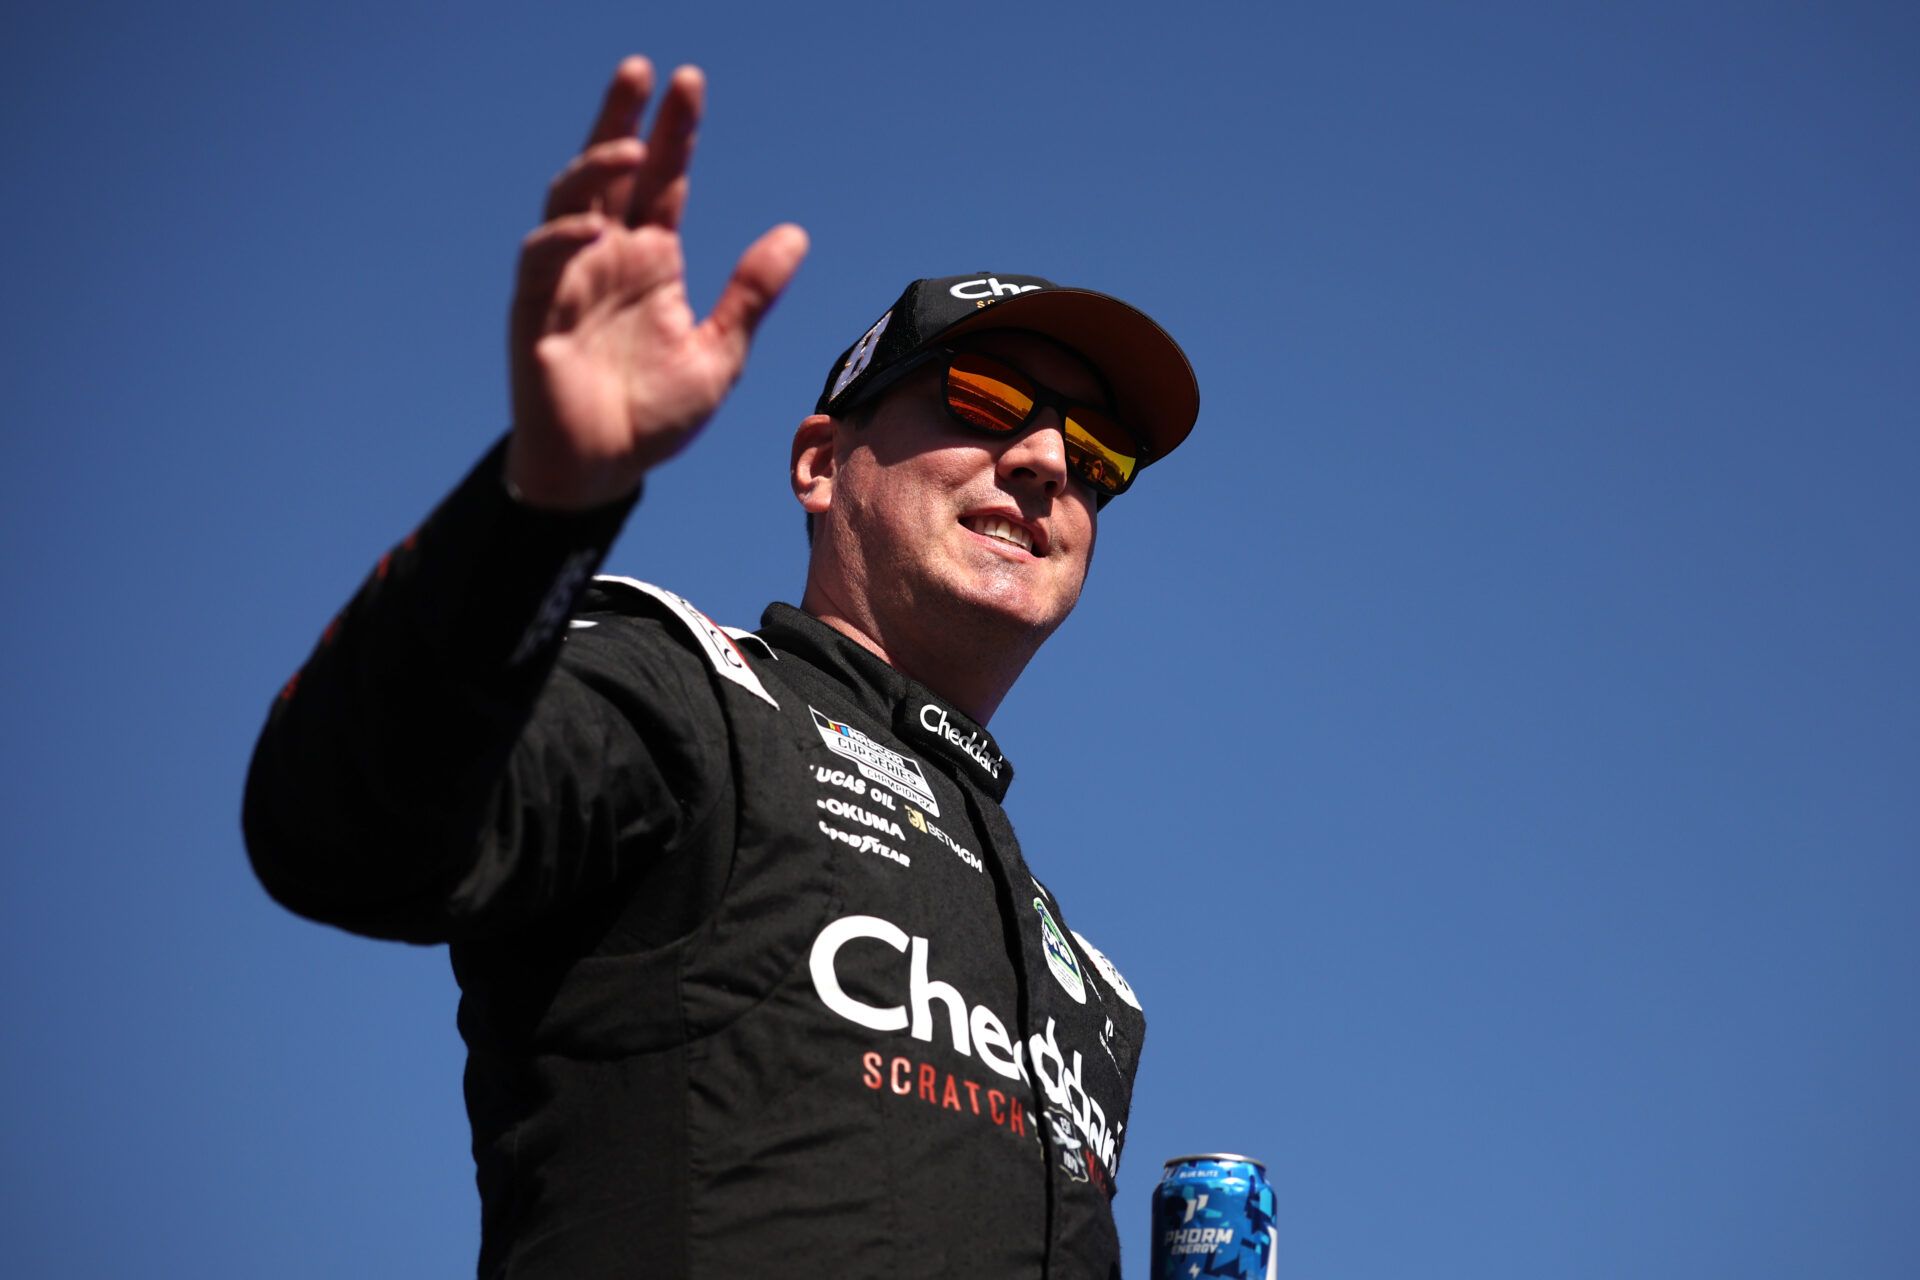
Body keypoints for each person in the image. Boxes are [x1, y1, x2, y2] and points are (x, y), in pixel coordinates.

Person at [244, 54, 1198, 1280]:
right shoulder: (687, 689)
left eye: (1099, 451)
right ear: (820, 463)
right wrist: (542, 502)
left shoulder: (1092, 986)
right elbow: (340, 828)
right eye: (984, 394)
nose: (1047, 462)